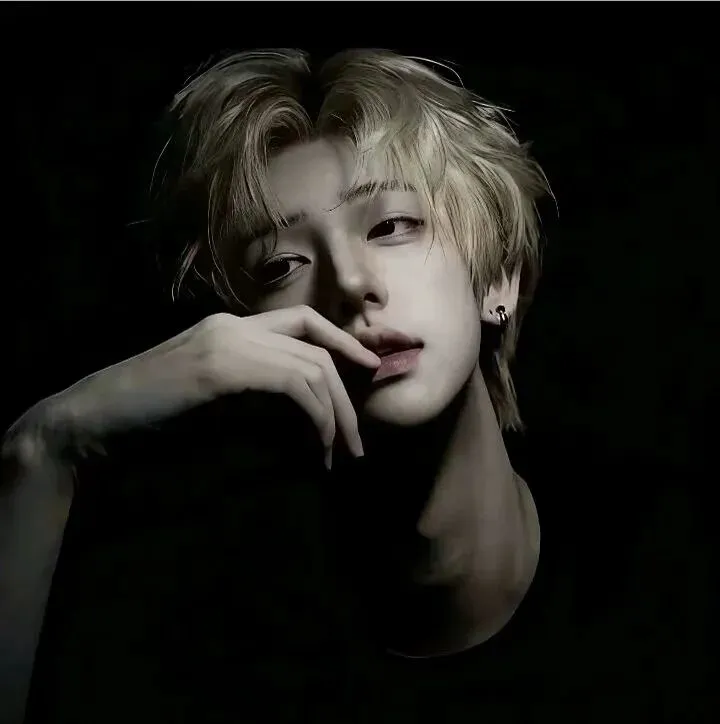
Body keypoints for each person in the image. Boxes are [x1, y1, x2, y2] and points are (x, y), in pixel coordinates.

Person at [1, 48, 549, 723]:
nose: (351, 283)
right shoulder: (194, 634)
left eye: (390, 226)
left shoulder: (658, 556)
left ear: (497, 279)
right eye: (282, 264)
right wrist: (43, 446)